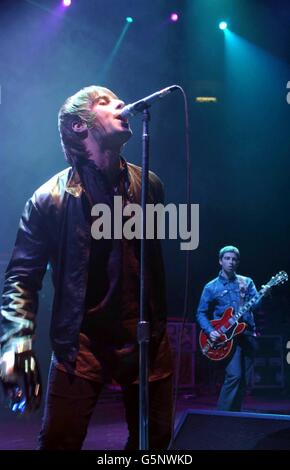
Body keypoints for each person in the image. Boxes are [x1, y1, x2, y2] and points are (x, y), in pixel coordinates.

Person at [0, 85, 173, 449]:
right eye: (104, 101)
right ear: (80, 126)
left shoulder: (150, 186)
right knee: (59, 442)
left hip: (144, 339)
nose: (121, 104)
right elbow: (21, 278)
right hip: (82, 343)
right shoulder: (48, 198)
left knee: (155, 445)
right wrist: (16, 340)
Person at [196, 245, 258, 411]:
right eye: (227, 258)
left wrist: (264, 296)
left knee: (244, 380)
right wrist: (211, 331)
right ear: (220, 261)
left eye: (234, 259)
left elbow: (256, 305)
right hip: (226, 337)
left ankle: (234, 416)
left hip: (246, 333)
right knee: (234, 375)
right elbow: (201, 313)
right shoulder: (211, 287)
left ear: (238, 262)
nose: (231, 262)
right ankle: (221, 415)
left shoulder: (247, 282)